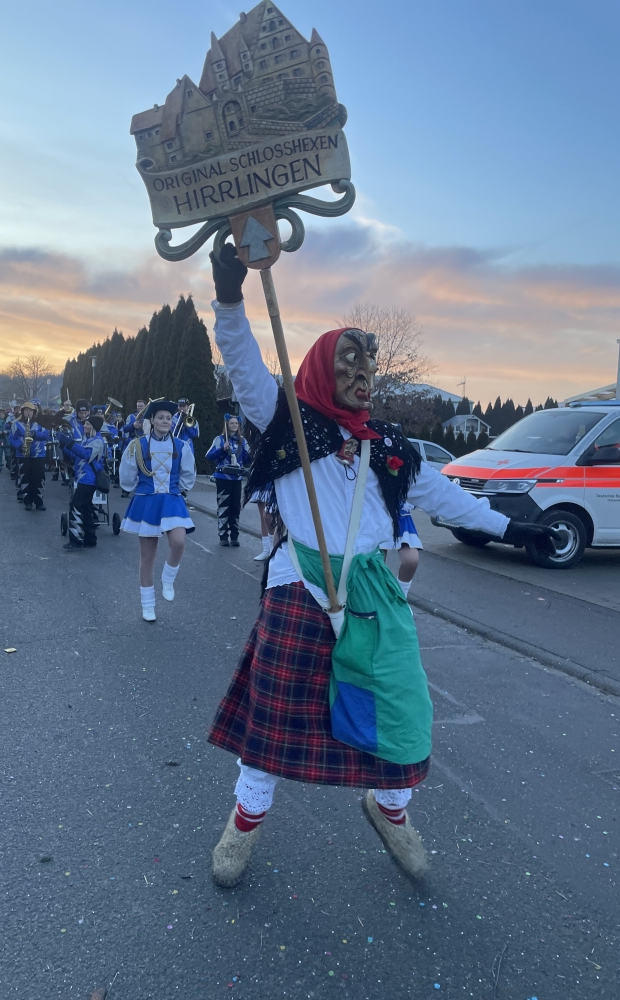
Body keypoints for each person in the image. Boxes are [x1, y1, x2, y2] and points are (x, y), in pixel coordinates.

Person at [205, 246, 558, 888]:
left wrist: (511, 528)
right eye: (349, 362)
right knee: (274, 717)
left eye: (368, 366)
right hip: (298, 583)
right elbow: (244, 362)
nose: (362, 374)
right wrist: (230, 298)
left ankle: (389, 809)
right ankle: (244, 822)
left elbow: (445, 498)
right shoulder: (285, 421)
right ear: (321, 367)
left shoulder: (390, 446)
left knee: (401, 708)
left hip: (372, 589)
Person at [120, 400, 196, 622]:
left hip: (171, 498)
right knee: (147, 556)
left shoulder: (181, 446)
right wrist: (141, 488)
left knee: (179, 542)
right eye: (161, 417)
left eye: (168, 418)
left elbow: (188, 475)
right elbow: (127, 477)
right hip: (147, 501)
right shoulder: (137, 445)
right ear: (152, 420)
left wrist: (177, 488)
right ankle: (148, 605)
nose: (165, 421)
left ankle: (168, 577)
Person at [58, 414, 106, 549]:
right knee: (86, 508)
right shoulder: (87, 439)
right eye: (85, 423)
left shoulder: (97, 441)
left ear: (94, 427)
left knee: (76, 506)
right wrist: (64, 446)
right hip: (83, 478)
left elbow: (86, 454)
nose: (84, 425)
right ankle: (90, 539)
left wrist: (70, 442)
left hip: (88, 479)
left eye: (87, 424)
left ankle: (76, 540)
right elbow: (76, 456)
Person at [206, 414, 252, 547]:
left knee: (235, 508)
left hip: (237, 478)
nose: (234, 425)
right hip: (223, 478)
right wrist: (222, 449)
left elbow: (247, 459)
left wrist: (250, 454)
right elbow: (209, 456)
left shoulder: (242, 441)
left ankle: (235, 537)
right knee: (223, 507)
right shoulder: (219, 439)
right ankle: (223, 537)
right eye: (232, 423)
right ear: (227, 425)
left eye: (236, 423)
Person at [10, 400, 51, 511]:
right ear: (23, 412)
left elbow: (46, 435)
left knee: (38, 478)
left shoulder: (41, 423)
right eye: (26, 410)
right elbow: (12, 438)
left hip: (38, 455)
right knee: (25, 478)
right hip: (23, 455)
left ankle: (39, 502)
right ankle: (27, 501)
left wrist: (35, 434)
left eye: (30, 411)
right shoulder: (16, 424)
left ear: (34, 412)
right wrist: (19, 446)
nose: (28, 413)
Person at [380, 501, 421, 597]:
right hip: (375, 513)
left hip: (400, 515)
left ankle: (401, 597)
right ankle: (378, 597)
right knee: (377, 564)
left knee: (411, 560)